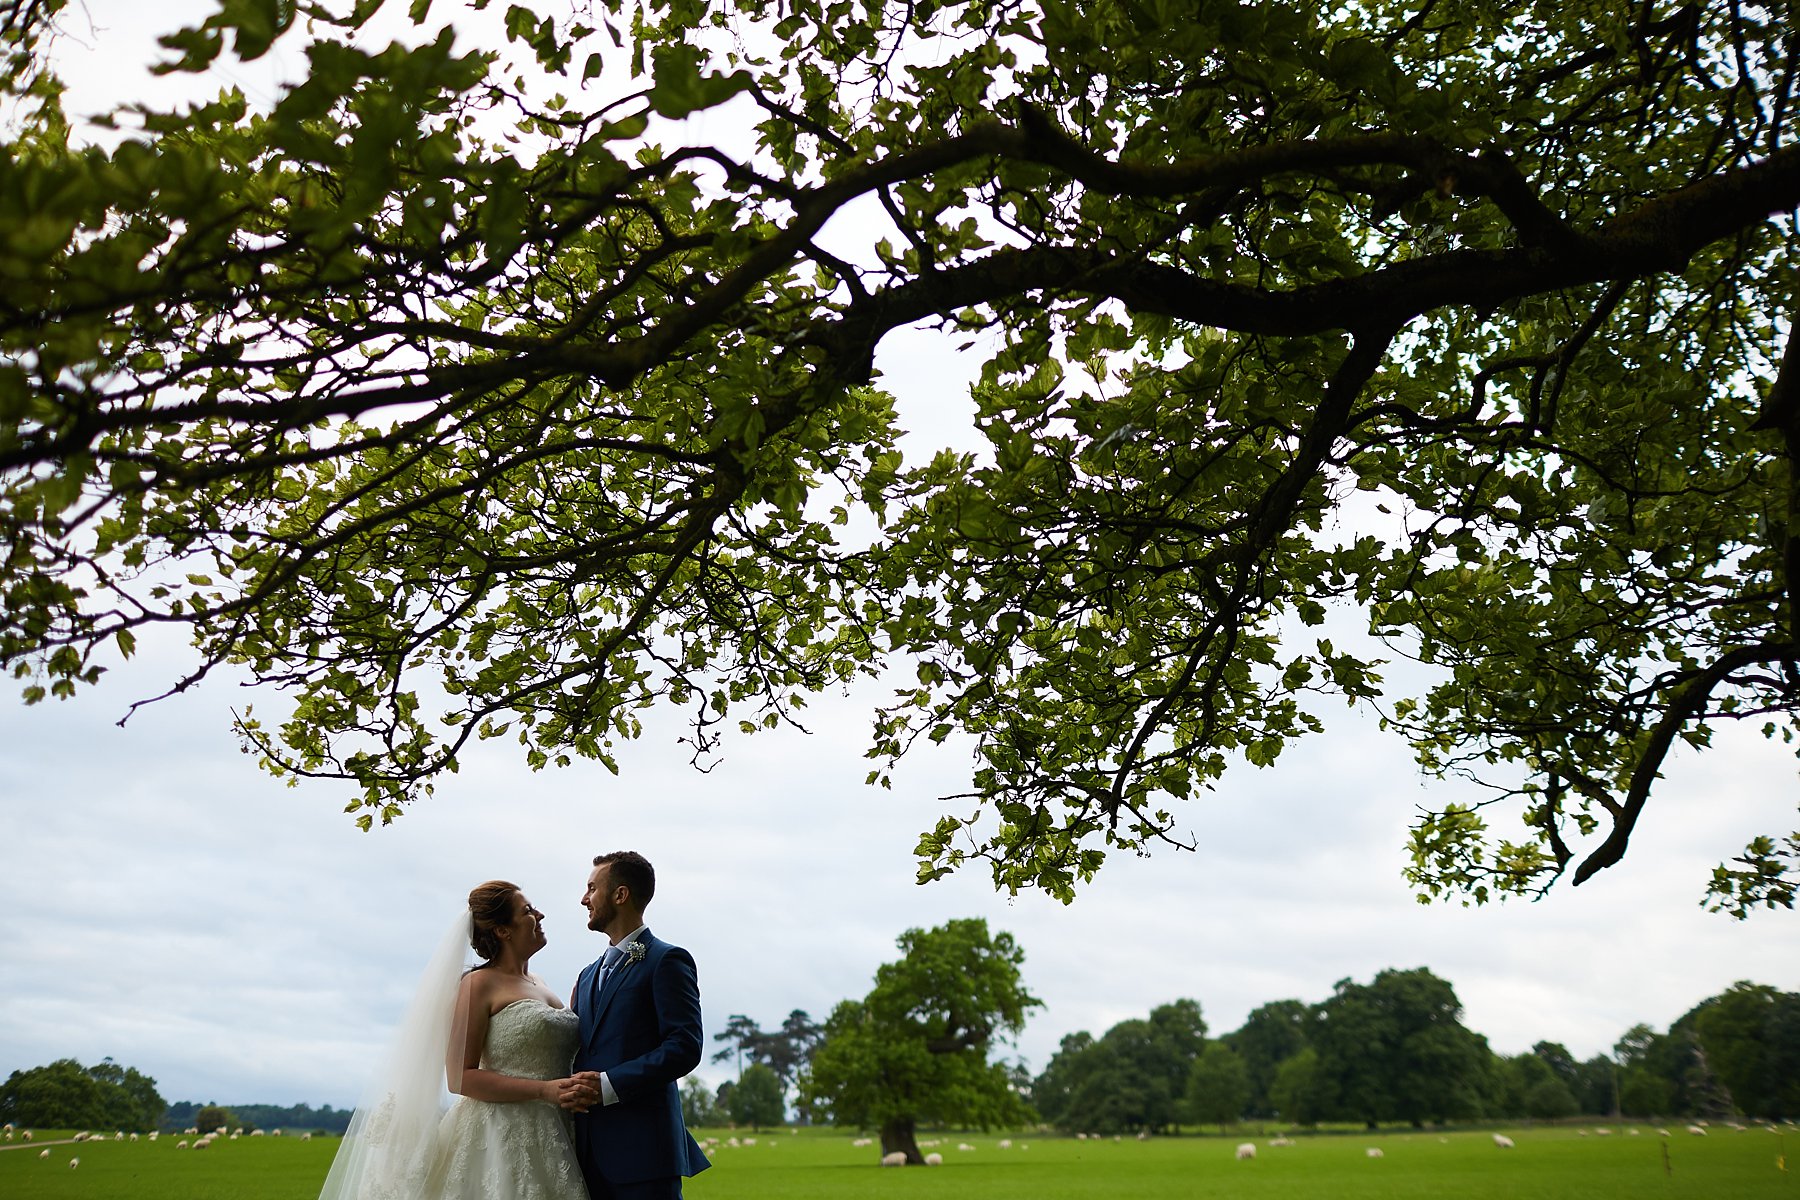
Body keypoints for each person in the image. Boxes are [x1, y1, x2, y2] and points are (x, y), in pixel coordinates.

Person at [318, 881, 598, 1200]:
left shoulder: (542, 984)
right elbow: (460, 1077)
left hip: (557, 1130)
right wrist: (544, 1090)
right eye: (528, 911)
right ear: (503, 931)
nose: (540, 914)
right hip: (498, 1137)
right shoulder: (477, 985)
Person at [571, 851, 711, 1200]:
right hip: (585, 1156)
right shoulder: (586, 976)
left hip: (645, 1156)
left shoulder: (667, 960)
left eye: (592, 888)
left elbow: (684, 1046)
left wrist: (608, 1084)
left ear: (620, 895)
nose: (584, 899)